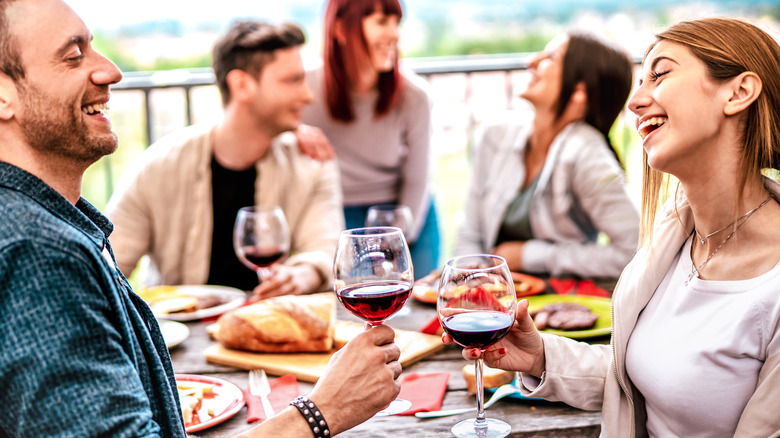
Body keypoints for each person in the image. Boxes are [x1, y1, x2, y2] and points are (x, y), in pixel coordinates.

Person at [0, 2, 402, 436]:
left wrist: (303, 274)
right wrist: (321, 412)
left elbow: (325, 246)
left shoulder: (48, 228)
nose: (112, 71)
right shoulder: (39, 253)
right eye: (73, 55)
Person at [447, 17, 780, 437]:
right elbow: (648, 379)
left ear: (739, 93)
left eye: (659, 75)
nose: (635, 101)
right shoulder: (676, 235)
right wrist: (539, 357)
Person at [106, 20, 345, 299]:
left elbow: (325, 248)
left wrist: (302, 275)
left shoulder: (313, 161)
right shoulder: (156, 168)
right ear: (242, 85)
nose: (307, 95)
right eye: (292, 80)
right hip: (181, 335)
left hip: (273, 329)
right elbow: (107, 267)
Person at [453, 32, 640, 279]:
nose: (532, 61)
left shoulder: (588, 156)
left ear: (579, 92)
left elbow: (635, 252)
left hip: (559, 303)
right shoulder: (495, 133)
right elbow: (470, 232)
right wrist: (473, 280)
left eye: (551, 57)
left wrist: (532, 255)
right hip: (490, 298)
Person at [300, 0, 442, 277]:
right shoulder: (305, 89)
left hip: (403, 215)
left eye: (396, 22)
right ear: (340, 28)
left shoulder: (414, 97)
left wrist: (393, 242)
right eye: (381, 22)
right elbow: (268, 123)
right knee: (346, 313)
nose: (395, 33)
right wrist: (294, 131)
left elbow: (418, 181)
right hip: (337, 217)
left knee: (416, 313)